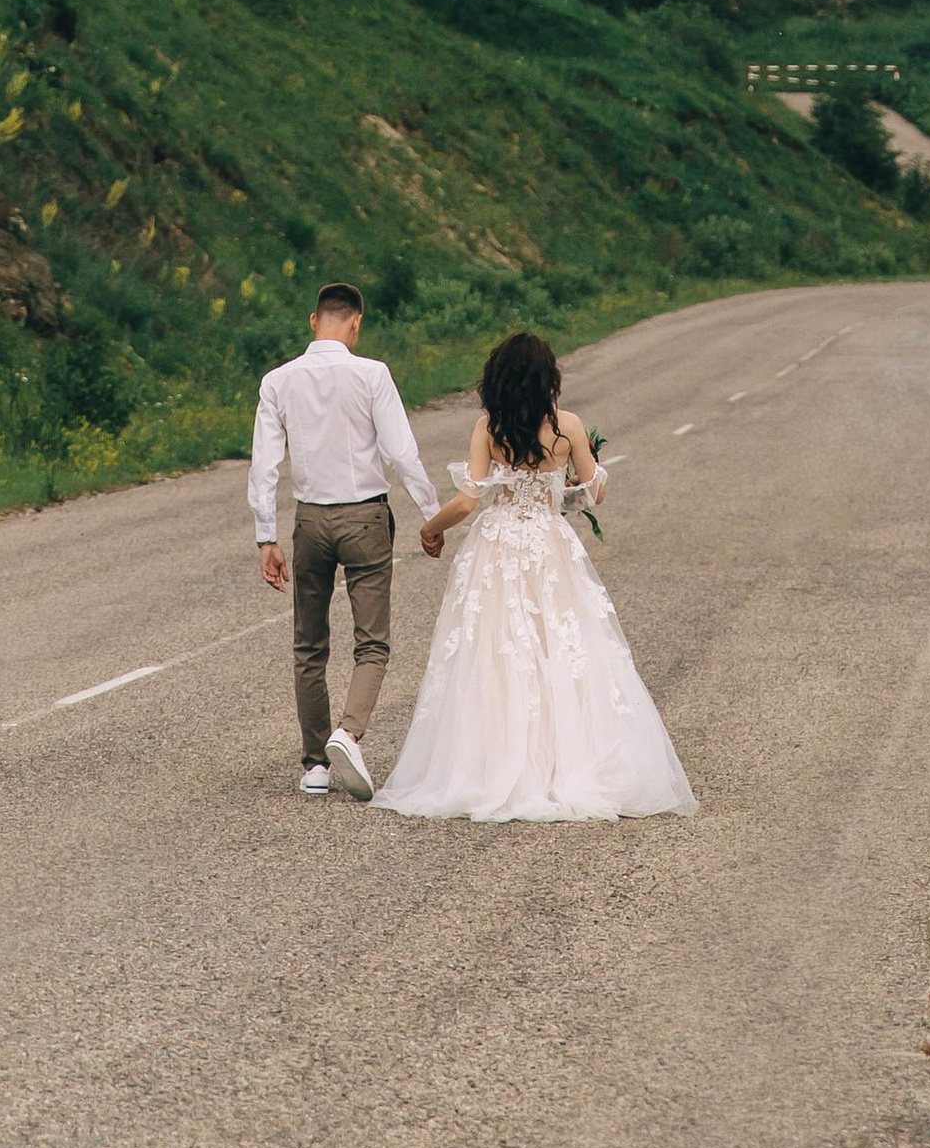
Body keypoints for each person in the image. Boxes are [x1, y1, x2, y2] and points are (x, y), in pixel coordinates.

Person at [373, 329, 697, 824]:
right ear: (548, 377)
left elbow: (468, 499)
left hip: (498, 547)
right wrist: (562, 482)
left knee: (498, 650)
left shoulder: (489, 428)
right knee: (560, 645)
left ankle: (497, 761)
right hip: (548, 545)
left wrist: (430, 529)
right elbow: (592, 493)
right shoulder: (567, 426)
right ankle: (563, 760)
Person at [248, 282, 441, 797]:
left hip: (310, 522)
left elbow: (265, 465)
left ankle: (315, 764)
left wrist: (266, 536)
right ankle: (348, 732)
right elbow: (401, 451)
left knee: (309, 644)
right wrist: (431, 515)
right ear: (356, 323)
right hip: (365, 518)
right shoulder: (372, 374)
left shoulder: (277, 381)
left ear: (315, 321)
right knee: (371, 642)